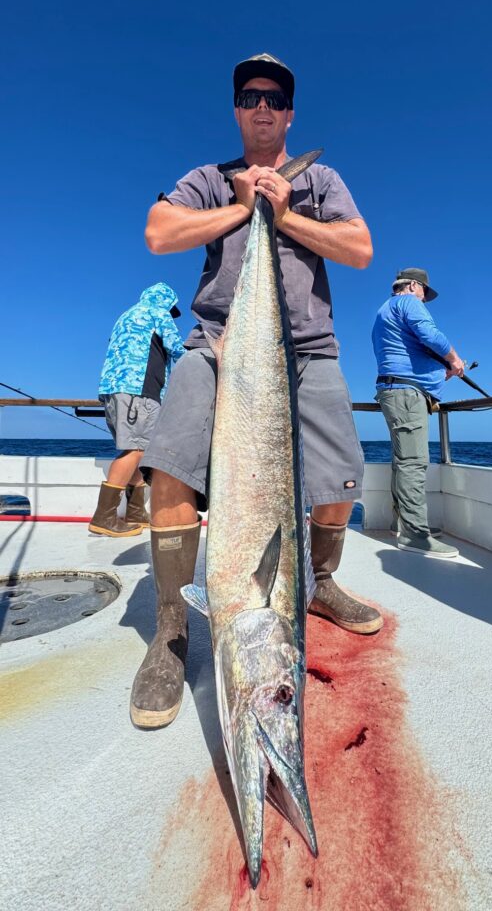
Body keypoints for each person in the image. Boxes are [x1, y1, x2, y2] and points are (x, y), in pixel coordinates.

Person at [130, 51, 383, 730]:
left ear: (290, 112)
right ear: (237, 110)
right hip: (217, 341)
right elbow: (160, 234)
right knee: (170, 467)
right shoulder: (208, 178)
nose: (262, 104)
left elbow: (358, 249)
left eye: (275, 95)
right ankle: (172, 631)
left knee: (341, 482)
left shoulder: (321, 178)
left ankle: (319, 584)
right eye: (249, 95)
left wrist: (283, 211)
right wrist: (241, 208)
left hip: (307, 348)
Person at [372, 268, 465, 559]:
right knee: (413, 462)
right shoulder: (409, 302)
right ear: (413, 285)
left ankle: (403, 524)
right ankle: (414, 534)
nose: (425, 298)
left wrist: (438, 371)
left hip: (395, 391)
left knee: (403, 461)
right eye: (425, 291)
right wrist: (454, 360)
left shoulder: (384, 309)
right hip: (406, 394)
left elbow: (409, 348)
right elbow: (429, 334)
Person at [89, 282, 185, 538]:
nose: (172, 315)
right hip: (137, 391)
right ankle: (104, 517)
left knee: (141, 449)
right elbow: (177, 349)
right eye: (172, 310)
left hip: (115, 390)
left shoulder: (125, 316)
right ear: (166, 302)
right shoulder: (157, 313)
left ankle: (134, 512)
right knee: (137, 449)